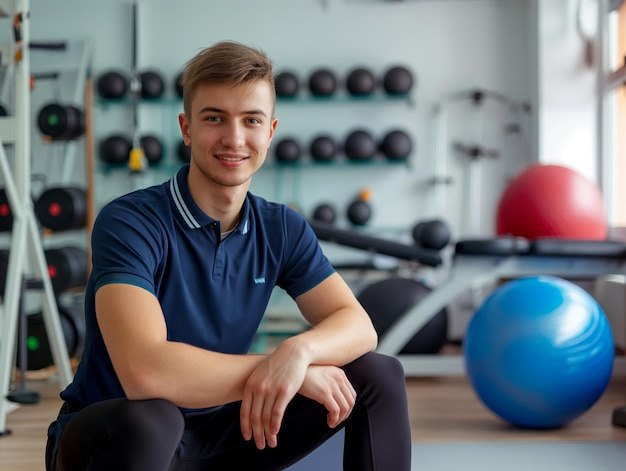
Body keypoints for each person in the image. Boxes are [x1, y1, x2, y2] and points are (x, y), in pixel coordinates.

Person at [45, 40, 412, 471]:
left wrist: (297, 354)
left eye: (251, 120)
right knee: (154, 417)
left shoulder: (282, 227)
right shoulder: (131, 221)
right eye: (214, 118)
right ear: (186, 128)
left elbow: (358, 327)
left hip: (222, 433)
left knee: (379, 375)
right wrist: (275, 371)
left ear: (270, 132)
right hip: (114, 440)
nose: (234, 138)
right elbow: (145, 372)